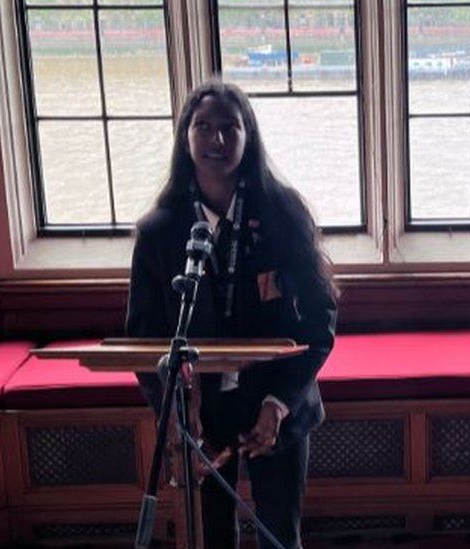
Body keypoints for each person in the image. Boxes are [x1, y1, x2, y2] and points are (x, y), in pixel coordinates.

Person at [126, 79, 338, 549]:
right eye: (203, 127)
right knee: (212, 536)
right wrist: (179, 414)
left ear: (249, 136)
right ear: (185, 137)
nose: (216, 140)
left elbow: (320, 320)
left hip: (275, 407)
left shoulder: (283, 213)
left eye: (229, 128)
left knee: (281, 534)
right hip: (200, 415)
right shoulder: (159, 231)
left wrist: (278, 403)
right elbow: (144, 341)